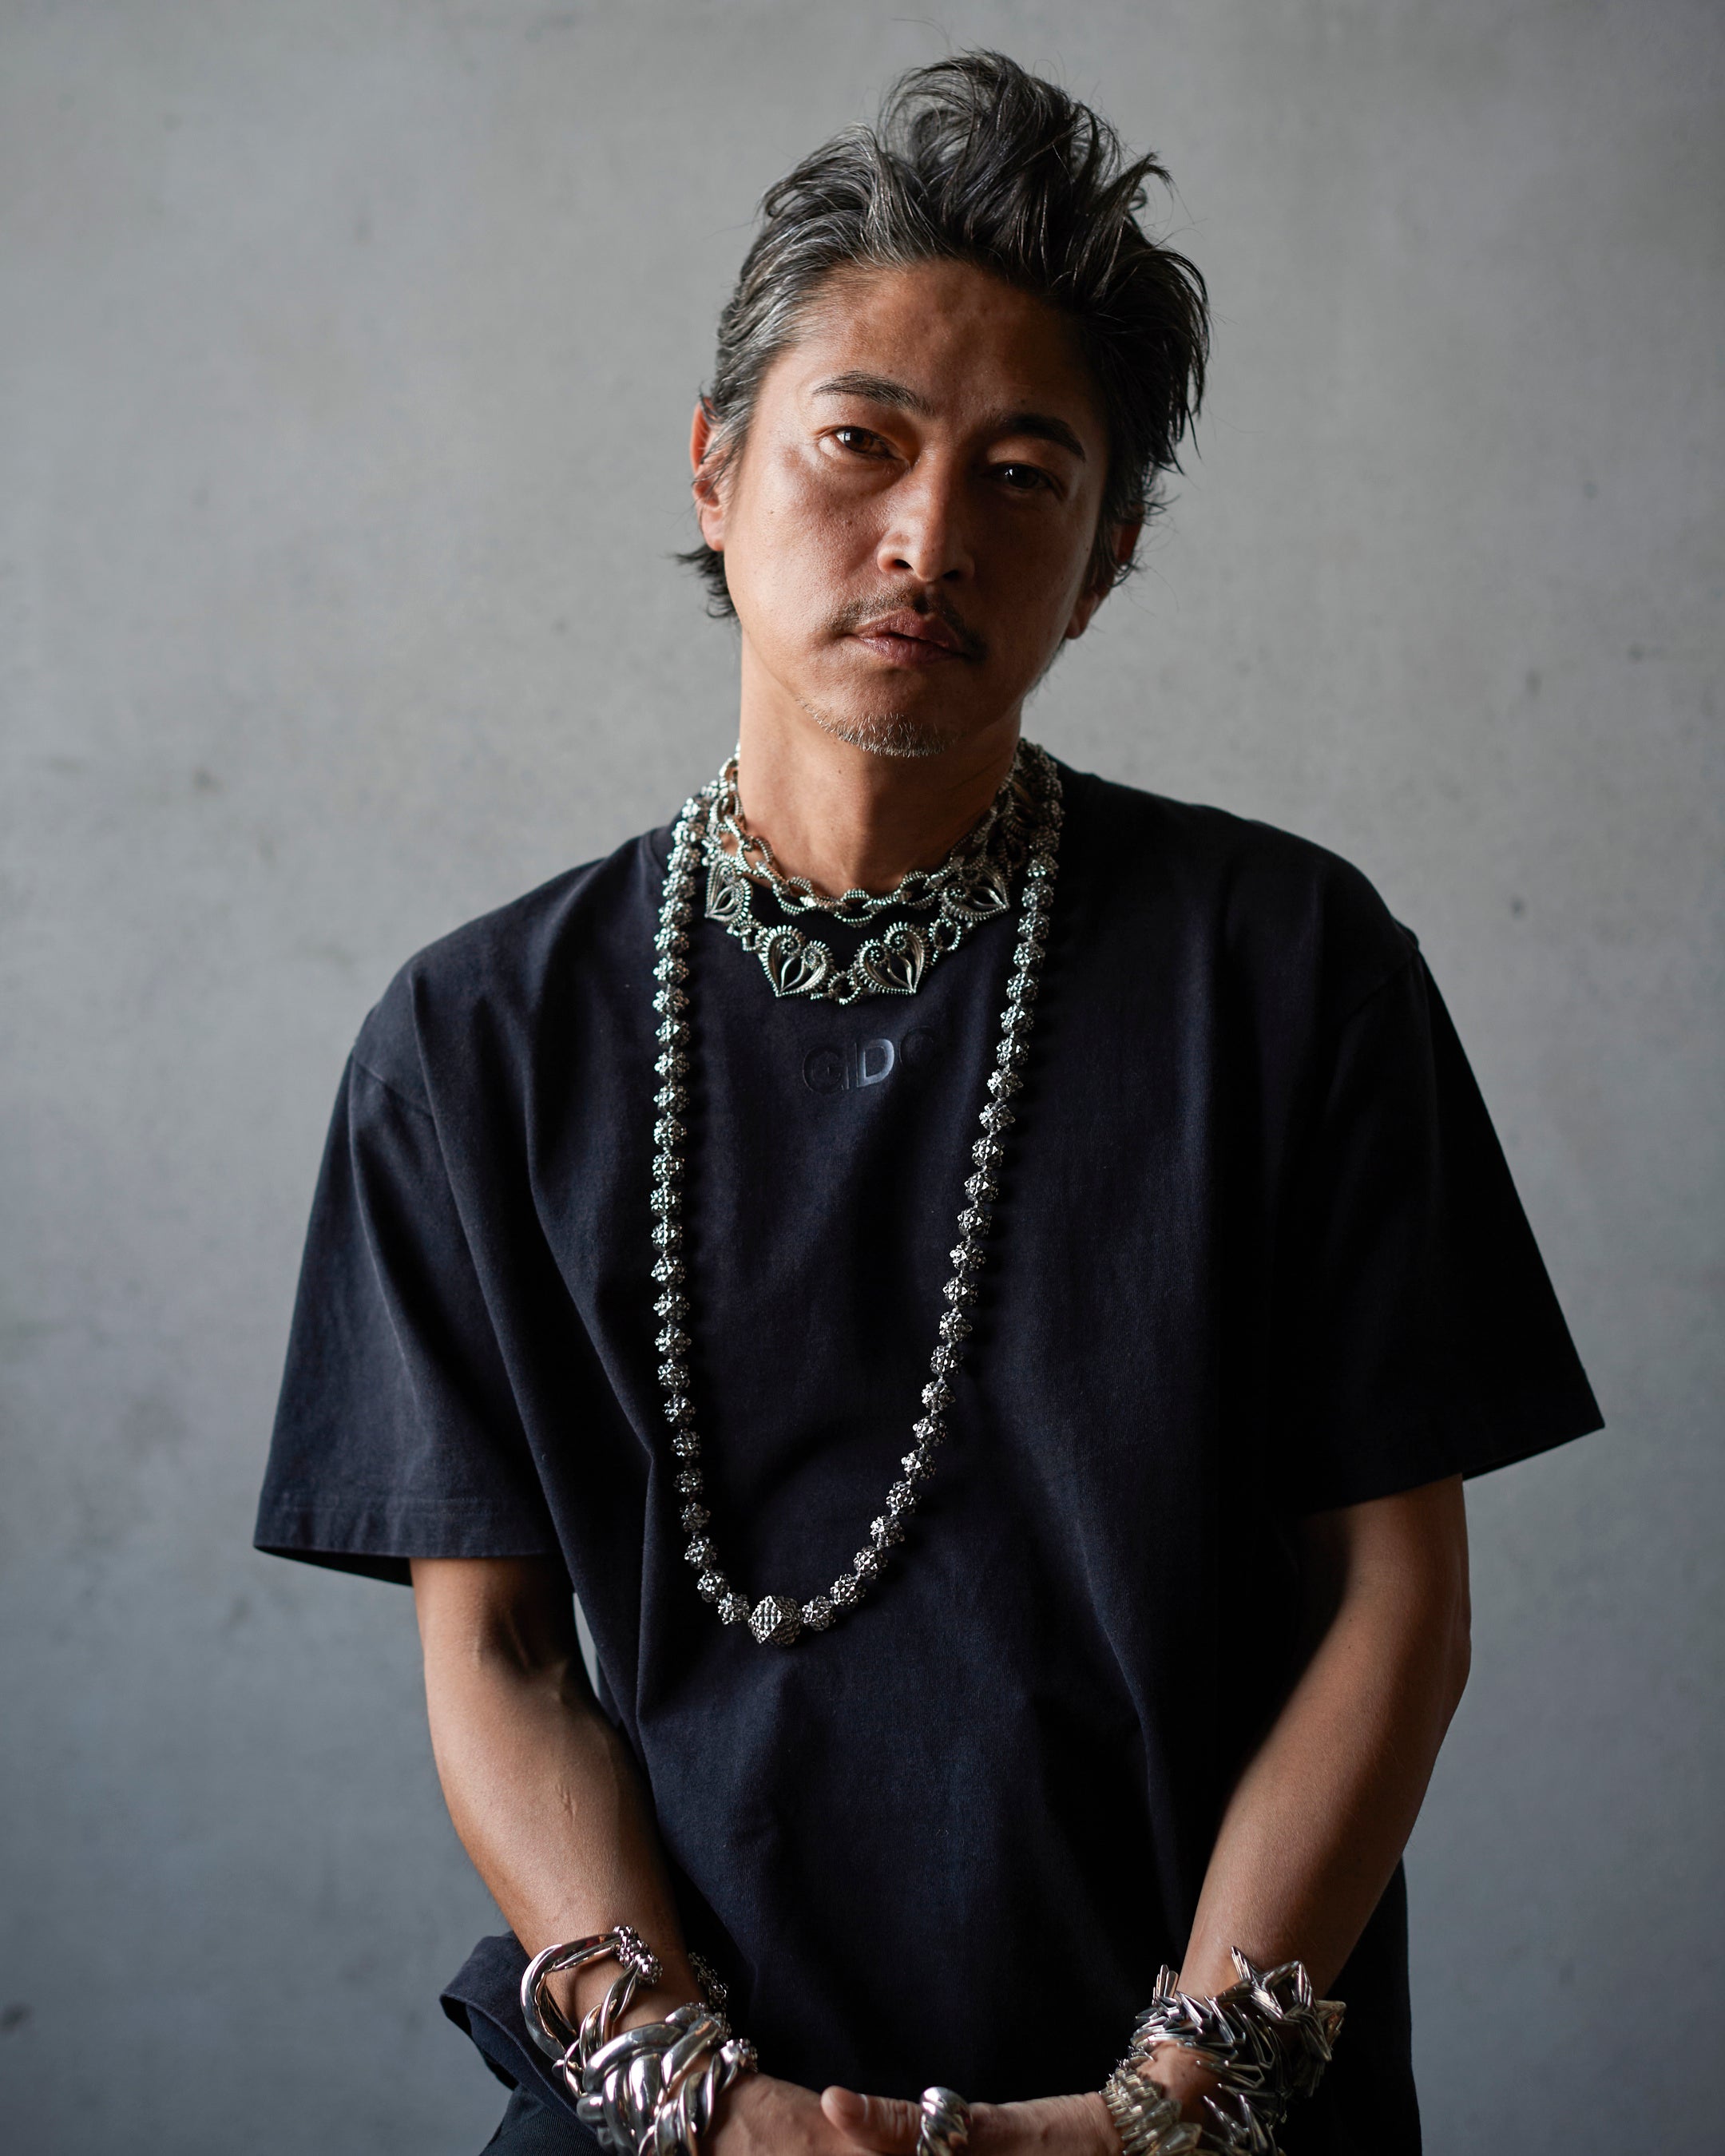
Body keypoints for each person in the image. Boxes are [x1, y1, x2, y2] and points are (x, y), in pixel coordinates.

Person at [256, 51, 1600, 2156]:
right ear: (715, 467)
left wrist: (1162, 2111)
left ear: (1108, 555)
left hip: (1199, 2093)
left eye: (1025, 476)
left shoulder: (1288, 971)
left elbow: (1396, 1608)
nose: (927, 537)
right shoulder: (476, 1043)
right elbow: (500, 1657)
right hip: (674, 2096)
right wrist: (705, 2102)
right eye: (858, 442)